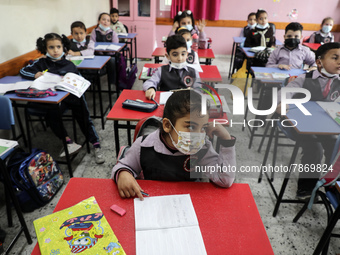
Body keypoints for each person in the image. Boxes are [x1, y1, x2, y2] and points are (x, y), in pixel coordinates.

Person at [111, 89, 236, 200]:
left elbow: (224, 180)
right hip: (152, 201)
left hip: (189, 204)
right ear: (167, 125)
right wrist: (123, 173)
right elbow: (124, 166)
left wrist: (226, 140)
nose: (198, 135)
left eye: (203, 128)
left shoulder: (202, 148)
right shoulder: (144, 145)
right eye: (191, 126)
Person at [19, 33, 105, 164]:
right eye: (51, 47)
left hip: (72, 97)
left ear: (63, 47)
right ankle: (68, 141)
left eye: (58, 47)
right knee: (51, 112)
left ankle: (95, 143)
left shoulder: (69, 64)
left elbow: (79, 80)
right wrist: (35, 74)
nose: (55, 50)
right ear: (45, 48)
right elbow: (23, 71)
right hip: (54, 100)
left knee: (83, 116)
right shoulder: (41, 63)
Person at [276, 42, 340, 199]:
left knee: (335, 144)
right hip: (298, 125)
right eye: (335, 57)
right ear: (319, 61)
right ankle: (305, 188)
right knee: (314, 147)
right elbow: (285, 92)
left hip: (325, 125)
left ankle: (330, 181)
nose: (339, 62)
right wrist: (281, 103)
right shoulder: (305, 78)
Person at [143, 35, 200, 100]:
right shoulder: (161, 70)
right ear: (167, 56)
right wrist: (151, 88)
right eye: (175, 55)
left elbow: (199, 89)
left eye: (183, 54)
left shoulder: (194, 72)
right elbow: (149, 82)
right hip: (166, 104)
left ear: (187, 54)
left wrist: (194, 92)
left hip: (187, 105)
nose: (180, 58)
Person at [90, 12, 119, 86]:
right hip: (97, 54)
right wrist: (100, 52)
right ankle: (95, 82)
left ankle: (112, 82)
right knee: (92, 61)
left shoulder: (113, 33)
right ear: (98, 21)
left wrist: (108, 53)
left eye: (108, 20)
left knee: (112, 61)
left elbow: (115, 46)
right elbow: (92, 44)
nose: (106, 22)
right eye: (103, 19)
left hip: (109, 55)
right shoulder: (94, 31)